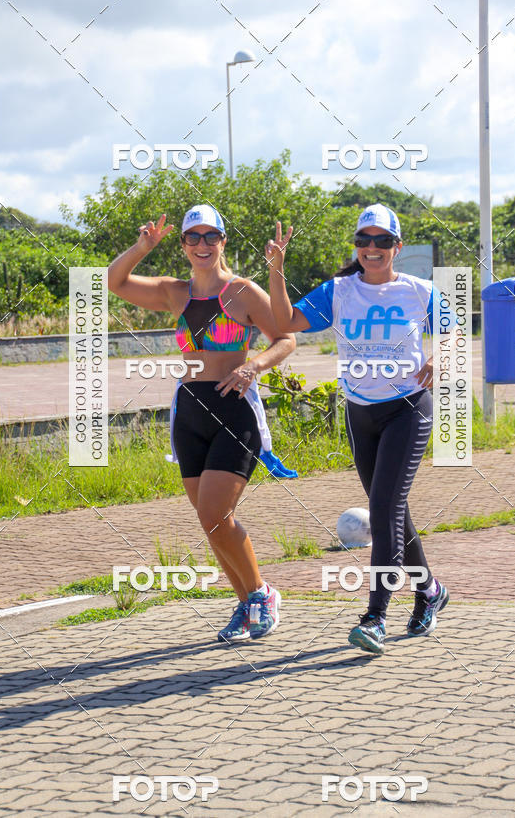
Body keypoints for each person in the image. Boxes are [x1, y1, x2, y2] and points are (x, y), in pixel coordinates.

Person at [266, 203, 448, 655]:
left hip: (407, 408)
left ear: (397, 247)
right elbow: (284, 323)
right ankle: (430, 591)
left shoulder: (420, 291)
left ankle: (375, 617)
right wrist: (276, 271)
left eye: (382, 241)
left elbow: (455, 328)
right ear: (356, 246)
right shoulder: (339, 290)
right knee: (392, 512)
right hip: (360, 411)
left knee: (385, 508)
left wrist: (441, 357)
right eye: (364, 240)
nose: (372, 248)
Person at [108, 204, 295, 643]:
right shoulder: (174, 292)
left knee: (217, 514)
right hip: (189, 410)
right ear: (183, 245)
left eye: (212, 236)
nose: (203, 244)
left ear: (223, 242)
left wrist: (255, 366)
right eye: (193, 237)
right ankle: (245, 603)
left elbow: (285, 338)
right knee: (208, 522)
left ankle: (262, 594)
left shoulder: (244, 291)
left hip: (233, 408)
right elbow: (114, 282)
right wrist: (141, 246)